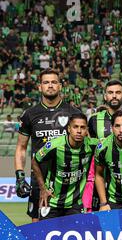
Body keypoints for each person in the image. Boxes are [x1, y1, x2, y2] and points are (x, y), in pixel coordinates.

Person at [14, 68, 80, 223]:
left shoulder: (73, 113)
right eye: (46, 82)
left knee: (73, 232)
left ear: (60, 86)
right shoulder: (30, 114)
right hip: (40, 181)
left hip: (69, 184)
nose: (50, 85)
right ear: (40, 87)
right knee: (37, 230)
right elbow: (21, 148)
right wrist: (19, 177)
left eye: (54, 82)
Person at [31, 114, 98, 220]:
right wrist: (43, 189)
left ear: (87, 130)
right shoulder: (54, 146)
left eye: (83, 127)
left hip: (75, 204)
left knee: (76, 235)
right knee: (46, 235)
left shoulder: (92, 145)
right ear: (69, 129)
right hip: (52, 201)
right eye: (75, 127)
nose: (79, 131)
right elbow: (35, 162)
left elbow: (109, 143)